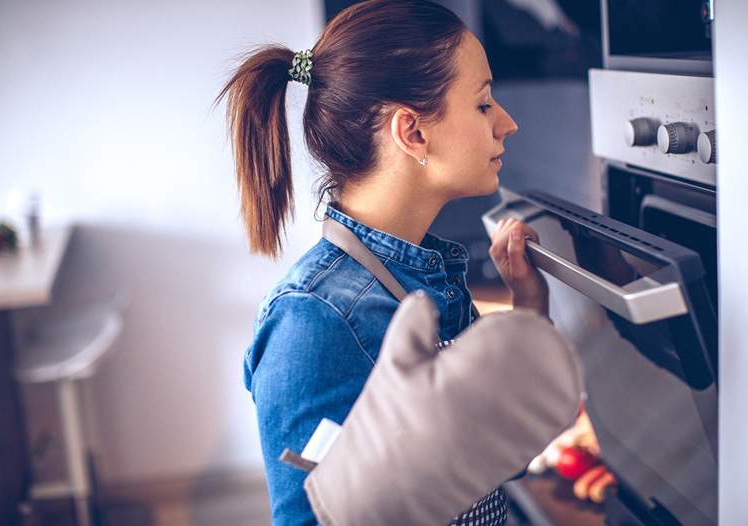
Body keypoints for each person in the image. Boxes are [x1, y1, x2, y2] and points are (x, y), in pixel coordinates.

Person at [216, 1, 548, 524]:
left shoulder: (431, 280)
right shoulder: (313, 322)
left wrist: (529, 308)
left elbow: (506, 458)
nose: (506, 122)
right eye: (483, 104)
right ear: (412, 133)